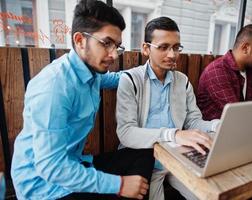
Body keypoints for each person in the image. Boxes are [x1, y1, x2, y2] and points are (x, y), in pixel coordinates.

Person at [10, 0, 154, 199]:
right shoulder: (54, 87)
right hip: (43, 187)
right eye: (106, 43)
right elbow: (51, 167)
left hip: (75, 163)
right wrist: (119, 185)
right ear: (79, 40)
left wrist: (147, 72)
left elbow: (114, 79)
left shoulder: (91, 73)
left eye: (117, 46)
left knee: (145, 153)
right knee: (124, 188)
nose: (114, 55)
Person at [116, 16, 220, 200]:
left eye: (176, 47)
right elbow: (126, 132)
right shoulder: (131, 80)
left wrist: (215, 125)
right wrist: (174, 134)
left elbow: (192, 121)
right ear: (146, 48)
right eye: (163, 47)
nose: (172, 55)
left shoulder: (182, 81)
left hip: (178, 157)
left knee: (209, 195)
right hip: (143, 158)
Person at [197, 24, 252, 120]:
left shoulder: (249, 70)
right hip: (214, 132)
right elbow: (236, 114)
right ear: (245, 48)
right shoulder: (217, 71)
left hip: (238, 127)